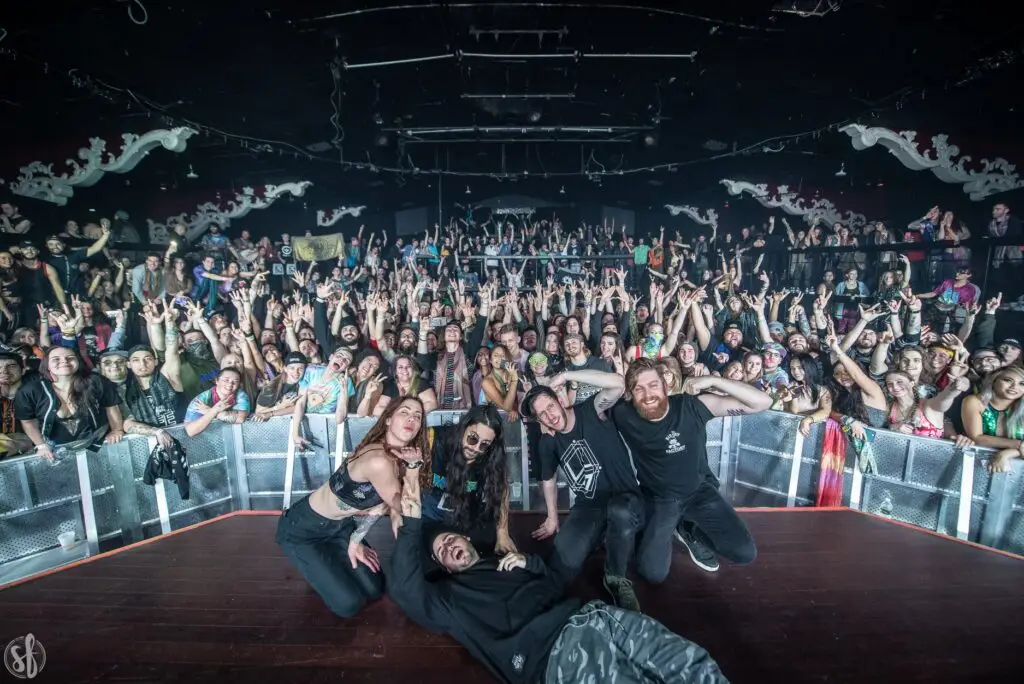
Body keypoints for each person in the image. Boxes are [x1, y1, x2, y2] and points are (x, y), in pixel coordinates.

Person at [388, 461, 729, 684]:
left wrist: (530, 563)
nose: (447, 548)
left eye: (449, 541)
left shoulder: (504, 558)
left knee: (694, 666)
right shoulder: (449, 599)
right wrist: (411, 521)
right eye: (441, 553)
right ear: (444, 568)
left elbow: (553, 585)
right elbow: (405, 588)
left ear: (464, 537)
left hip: (595, 616)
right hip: (557, 654)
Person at [612, 358, 768, 581]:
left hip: (698, 492)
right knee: (653, 574)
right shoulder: (623, 414)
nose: (648, 395)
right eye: (639, 389)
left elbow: (762, 402)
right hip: (661, 499)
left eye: (653, 385)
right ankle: (669, 526)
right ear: (630, 395)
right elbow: (602, 394)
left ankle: (688, 529)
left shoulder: (690, 405)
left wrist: (713, 379)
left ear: (666, 386)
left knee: (744, 553)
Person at [276, 396, 430, 618]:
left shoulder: (399, 457)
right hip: (302, 530)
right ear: (388, 419)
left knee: (375, 588)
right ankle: (317, 563)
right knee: (348, 605)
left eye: (418, 416)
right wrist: (414, 468)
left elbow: (384, 510)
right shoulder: (380, 461)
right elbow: (408, 509)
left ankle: (331, 560)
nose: (411, 419)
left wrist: (356, 539)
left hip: (341, 527)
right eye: (404, 412)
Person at [523, 369, 642, 611]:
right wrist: (552, 517)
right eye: (542, 414)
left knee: (619, 511)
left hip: (625, 498)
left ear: (559, 400)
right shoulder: (548, 441)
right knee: (562, 562)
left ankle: (616, 578)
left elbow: (618, 384)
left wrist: (566, 376)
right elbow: (548, 478)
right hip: (589, 507)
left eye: (551, 407)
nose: (550, 416)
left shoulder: (592, 410)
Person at [422, 404, 516, 554]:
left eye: (484, 444)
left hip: (465, 520)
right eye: (473, 438)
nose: (476, 448)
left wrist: (503, 533)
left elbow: (501, 489)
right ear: (463, 428)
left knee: (497, 548)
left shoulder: (489, 456)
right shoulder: (434, 439)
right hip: (429, 520)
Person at [15, 346, 125, 461]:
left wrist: (116, 430)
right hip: (54, 454)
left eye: (70, 358)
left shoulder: (96, 381)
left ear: (78, 361)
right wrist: (41, 445)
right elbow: (28, 421)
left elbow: (111, 406)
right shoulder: (31, 390)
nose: (64, 361)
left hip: (98, 448)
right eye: (56, 359)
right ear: (47, 364)